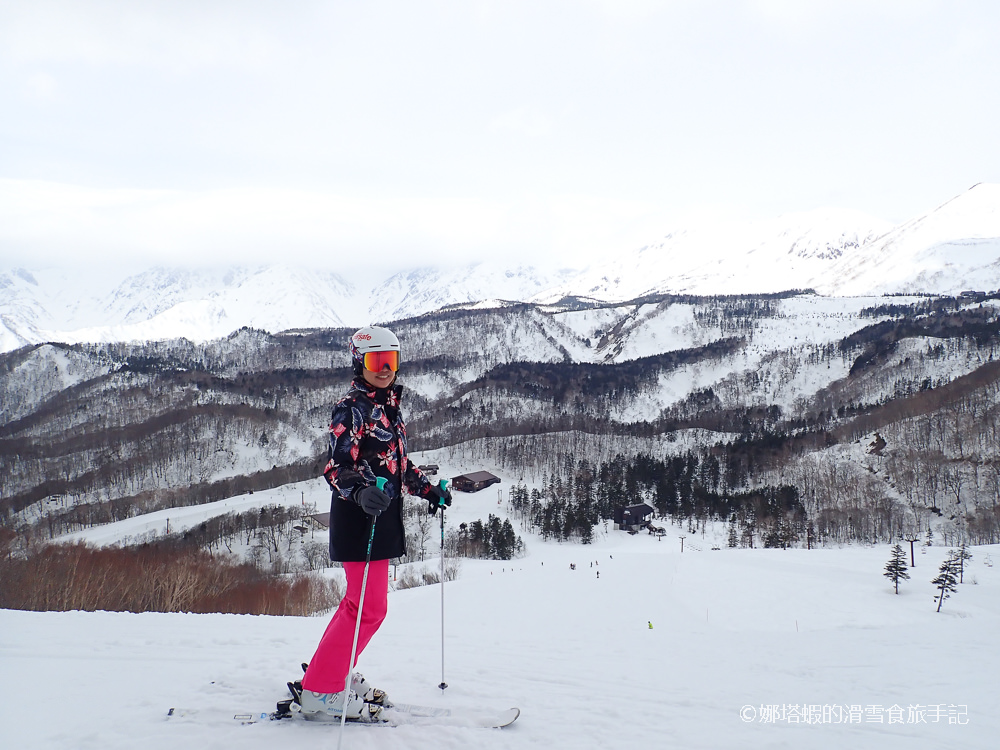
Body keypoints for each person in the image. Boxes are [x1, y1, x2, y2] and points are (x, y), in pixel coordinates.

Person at [299, 326, 452, 722]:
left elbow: (396, 465)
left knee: (361, 606)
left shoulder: (388, 406)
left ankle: (331, 672)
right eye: (375, 362)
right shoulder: (351, 408)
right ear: (359, 362)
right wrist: (360, 491)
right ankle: (322, 690)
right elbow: (336, 467)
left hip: (382, 518)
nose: (384, 370)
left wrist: (428, 489)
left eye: (390, 362)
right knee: (367, 609)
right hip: (357, 518)